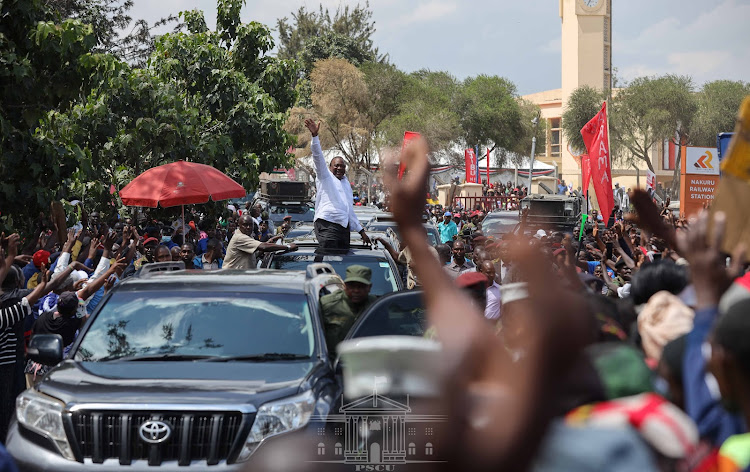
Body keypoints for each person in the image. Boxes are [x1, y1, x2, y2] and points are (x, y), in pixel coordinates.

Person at [304, 119, 370, 252]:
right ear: (330, 167)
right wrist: (315, 137)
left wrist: (361, 231)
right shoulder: (325, 177)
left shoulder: (346, 184)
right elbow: (318, 157)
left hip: (344, 227)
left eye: (342, 166)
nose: (339, 168)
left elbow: (349, 212)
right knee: (330, 258)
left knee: (343, 261)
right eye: (336, 165)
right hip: (327, 224)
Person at [319, 265, 377, 356]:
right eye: (352, 286)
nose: (356, 291)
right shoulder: (328, 305)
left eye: (361, 287)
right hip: (335, 362)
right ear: (344, 286)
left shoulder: (376, 306)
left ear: (369, 287)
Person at [223, 214, 297, 269]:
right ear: (239, 225)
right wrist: (288, 247)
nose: (248, 227)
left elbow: (255, 254)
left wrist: (270, 240)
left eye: (250, 225)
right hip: (233, 278)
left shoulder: (248, 236)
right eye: (245, 225)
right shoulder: (240, 237)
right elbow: (263, 247)